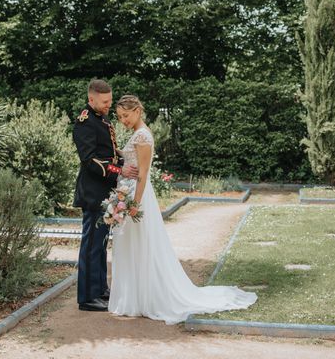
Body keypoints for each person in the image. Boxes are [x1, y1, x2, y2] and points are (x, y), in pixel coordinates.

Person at [109, 94, 257, 324]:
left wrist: (135, 204)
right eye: (119, 117)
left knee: (140, 244)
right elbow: (129, 160)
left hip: (136, 196)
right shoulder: (138, 135)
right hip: (126, 192)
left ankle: (144, 298)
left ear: (138, 110)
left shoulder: (142, 136)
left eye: (126, 115)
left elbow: (144, 175)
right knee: (132, 245)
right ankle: (135, 298)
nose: (123, 121)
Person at [72, 80, 139, 312]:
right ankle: (87, 297)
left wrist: (125, 162)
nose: (109, 105)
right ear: (91, 100)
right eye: (105, 102)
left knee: (101, 244)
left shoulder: (102, 118)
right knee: (91, 244)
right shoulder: (84, 123)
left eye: (110, 100)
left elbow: (109, 154)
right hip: (92, 192)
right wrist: (119, 170)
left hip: (105, 191)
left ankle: (100, 288)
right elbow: (90, 160)